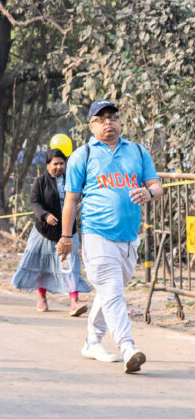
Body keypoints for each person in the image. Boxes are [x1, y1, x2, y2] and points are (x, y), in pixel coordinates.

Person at [60, 100, 162, 373]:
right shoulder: (83, 155)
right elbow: (71, 200)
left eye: (113, 117)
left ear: (119, 121)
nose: (109, 122)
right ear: (91, 125)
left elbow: (156, 185)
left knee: (111, 290)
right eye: (101, 118)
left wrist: (149, 193)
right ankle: (128, 348)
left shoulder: (137, 151)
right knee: (112, 290)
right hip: (97, 233)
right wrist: (66, 238)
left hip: (129, 236)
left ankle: (92, 341)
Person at [12, 149, 91, 315]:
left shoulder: (72, 180)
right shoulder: (40, 182)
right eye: (55, 164)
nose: (58, 167)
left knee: (70, 265)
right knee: (41, 265)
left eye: (62, 163)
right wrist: (45, 215)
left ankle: (74, 302)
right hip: (44, 232)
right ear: (48, 165)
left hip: (68, 230)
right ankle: (42, 297)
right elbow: (35, 202)